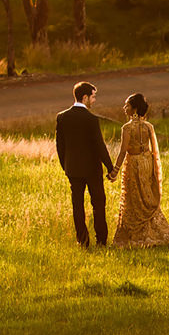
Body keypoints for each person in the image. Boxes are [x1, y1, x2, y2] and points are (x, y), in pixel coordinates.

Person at [111, 92, 169, 248]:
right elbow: (152, 149)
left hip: (134, 164)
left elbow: (123, 151)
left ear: (134, 109)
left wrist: (115, 170)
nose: (124, 108)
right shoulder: (149, 126)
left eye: (127, 105)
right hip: (147, 162)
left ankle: (136, 234)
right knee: (147, 195)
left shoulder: (127, 128)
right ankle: (153, 231)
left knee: (134, 198)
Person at [54, 81, 116, 248]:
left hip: (73, 169)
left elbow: (60, 146)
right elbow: (99, 145)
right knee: (98, 204)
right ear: (85, 97)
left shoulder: (62, 117)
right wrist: (110, 168)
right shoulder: (91, 119)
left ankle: (82, 241)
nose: (94, 100)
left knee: (78, 206)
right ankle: (101, 241)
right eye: (93, 97)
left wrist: (66, 166)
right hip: (92, 170)